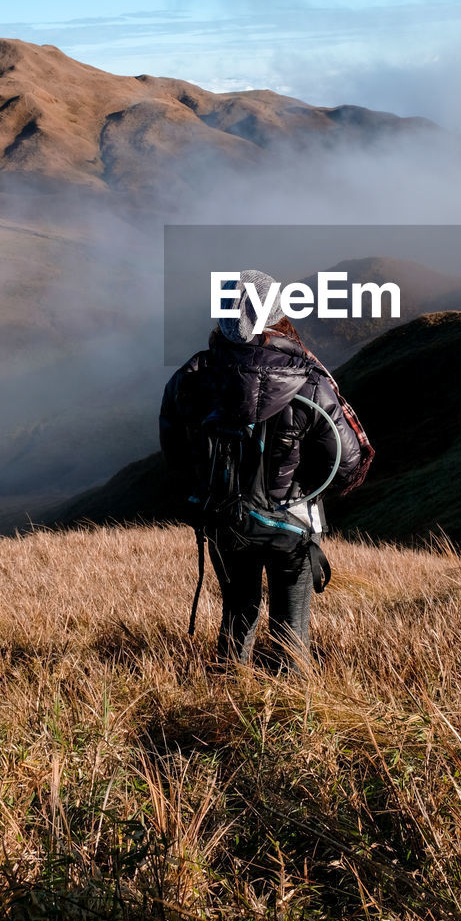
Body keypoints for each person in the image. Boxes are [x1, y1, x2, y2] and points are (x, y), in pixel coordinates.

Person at [159, 270, 373, 668]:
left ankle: (224, 700)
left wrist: (204, 494)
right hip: (291, 520)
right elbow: (347, 465)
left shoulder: (190, 379)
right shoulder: (311, 383)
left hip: (225, 516)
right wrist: (305, 486)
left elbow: (176, 457)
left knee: (237, 616)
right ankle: (295, 719)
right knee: (292, 632)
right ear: (279, 315)